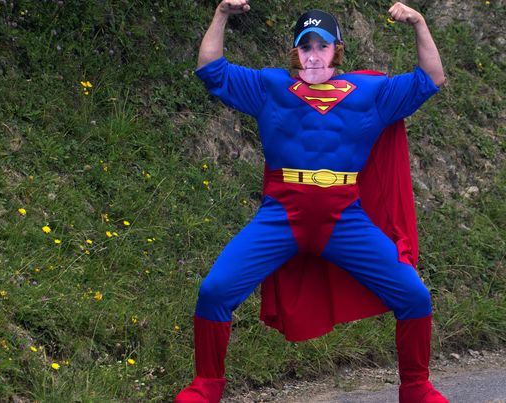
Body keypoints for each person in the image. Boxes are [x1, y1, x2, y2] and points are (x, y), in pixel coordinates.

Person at [176, 1, 447, 402]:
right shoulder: (271, 88)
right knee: (215, 290)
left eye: (322, 46)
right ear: (295, 52)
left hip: (344, 220)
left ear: (336, 50)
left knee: (414, 296)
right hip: (281, 216)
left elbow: (431, 78)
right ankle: (206, 386)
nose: (314, 53)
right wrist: (221, 14)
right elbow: (211, 69)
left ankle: (417, 389)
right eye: (306, 46)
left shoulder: (370, 93)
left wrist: (419, 23)